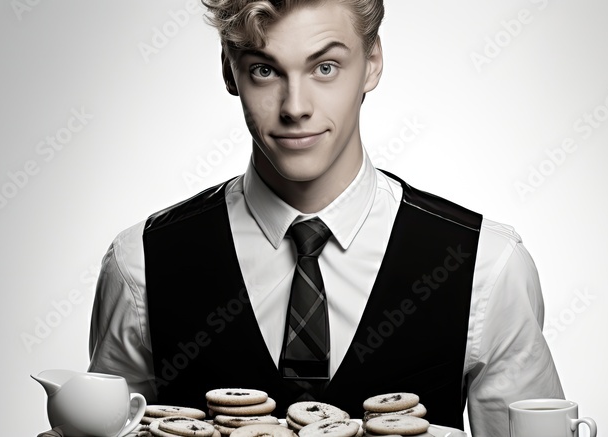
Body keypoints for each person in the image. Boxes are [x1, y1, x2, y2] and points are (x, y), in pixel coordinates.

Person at [43, 1, 564, 436]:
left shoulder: (486, 266)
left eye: (325, 67)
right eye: (265, 69)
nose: (296, 107)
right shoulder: (141, 264)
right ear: (230, 69)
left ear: (374, 62)